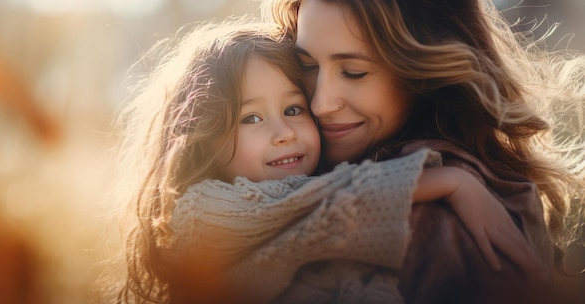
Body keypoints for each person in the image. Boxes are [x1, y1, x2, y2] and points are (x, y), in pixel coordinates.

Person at [113, 17, 545, 304]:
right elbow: (327, 206)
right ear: (203, 143)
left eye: (293, 109)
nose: (284, 132)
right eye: (251, 118)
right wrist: (452, 183)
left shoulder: (323, 174)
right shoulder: (205, 211)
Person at [260, 0, 585, 302]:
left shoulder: (422, 219)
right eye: (308, 65)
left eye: (354, 72)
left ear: (422, 68)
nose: (320, 104)